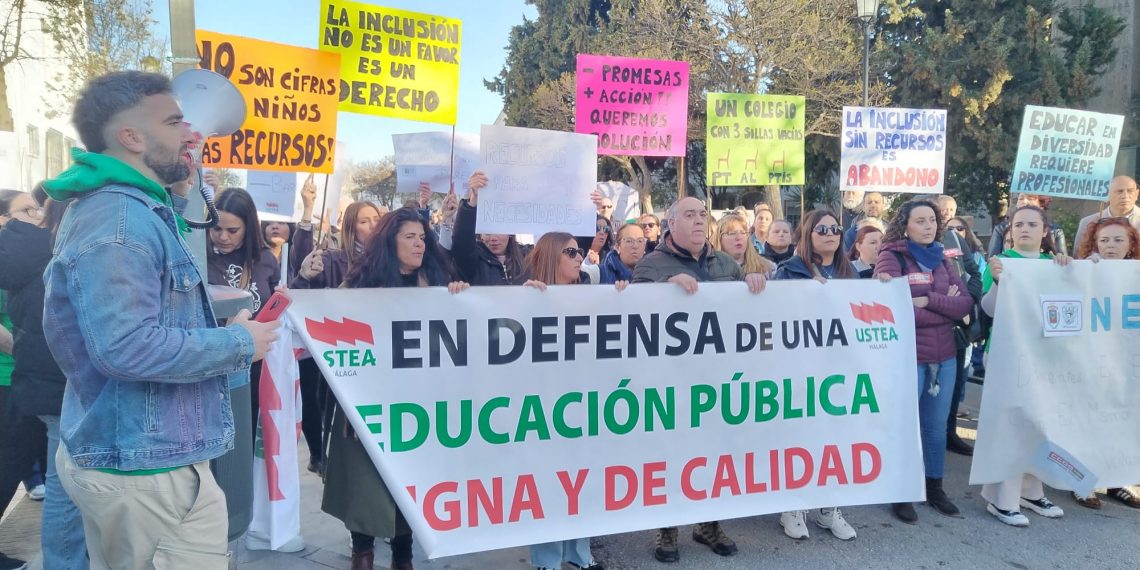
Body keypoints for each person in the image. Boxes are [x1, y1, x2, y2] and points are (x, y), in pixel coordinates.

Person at [41, 70, 279, 567]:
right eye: (174, 122)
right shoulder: (120, 222)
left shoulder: (128, 211)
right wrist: (238, 345)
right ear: (131, 137)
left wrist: (177, 191)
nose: (190, 133)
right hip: (147, 469)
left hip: (152, 458)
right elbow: (125, 346)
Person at [328, 207, 468, 570]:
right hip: (367, 400)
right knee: (365, 481)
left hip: (416, 404)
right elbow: (331, 324)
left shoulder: (437, 281)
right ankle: (363, 552)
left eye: (422, 237)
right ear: (390, 242)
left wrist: (459, 298)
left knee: (409, 480)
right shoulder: (360, 284)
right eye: (410, 237)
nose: (419, 244)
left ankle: (402, 555)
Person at [632, 197, 766, 563]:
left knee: (715, 450)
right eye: (688, 215)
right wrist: (664, 287)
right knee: (670, 452)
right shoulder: (651, 265)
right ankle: (668, 527)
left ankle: (708, 523)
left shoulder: (725, 264)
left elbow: (748, 310)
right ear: (669, 224)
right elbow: (633, 312)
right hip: (670, 380)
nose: (697, 220)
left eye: (701, 214)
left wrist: (752, 282)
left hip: (717, 379)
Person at [521, 232, 625, 570]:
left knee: (583, 482)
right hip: (543, 407)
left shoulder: (592, 295)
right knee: (549, 484)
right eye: (569, 251)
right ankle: (547, 560)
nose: (578, 256)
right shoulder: (525, 296)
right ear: (551, 256)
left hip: (586, 405)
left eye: (579, 251)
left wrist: (622, 298)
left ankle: (580, 555)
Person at [0, 193, 88, 569]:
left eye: (35, 208)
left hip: (42, 382)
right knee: (66, 491)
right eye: (25, 210)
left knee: (61, 486)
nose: (32, 215)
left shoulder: (35, 254)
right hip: (56, 383)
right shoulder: (50, 252)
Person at [875, 199, 973, 523]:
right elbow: (894, 307)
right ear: (905, 225)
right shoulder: (891, 257)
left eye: (932, 220)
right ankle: (900, 491)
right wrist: (944, 308)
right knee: (905, 428)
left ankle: (934, 488)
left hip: (944, 358)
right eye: (920, 221)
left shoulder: (943, 259)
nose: (928, 226)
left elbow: (965, 304)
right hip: (909, 359)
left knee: (934, 429)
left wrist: (928, 299)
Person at [977, 205, 1071, 526]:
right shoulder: (1001, 264)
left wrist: (1074, 269)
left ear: (1045, 231)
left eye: (1032, 224)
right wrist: (998, 281)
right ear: (1010, 231)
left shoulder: (1054, 264)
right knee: (1012, 424)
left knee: (1041, 424)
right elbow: (988, 310)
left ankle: (1030, 489)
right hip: (1006, 354)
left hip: (1045, 356)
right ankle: (1002, 497)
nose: (1025, 229)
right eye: (1018, 224)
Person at [772, 209, 859, 541]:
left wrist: (881, 289)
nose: (829, 233)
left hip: (839, 370)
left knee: (834, 440)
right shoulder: (789, 272)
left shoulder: (849, 274)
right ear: (807, 235)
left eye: (835, 228)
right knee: (799, 439)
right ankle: (792, 506)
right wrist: (807, 293)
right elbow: (775, 317)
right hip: (800, 369)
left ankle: (827, 507)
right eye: (821, 229)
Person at [935, 196, 983, 457]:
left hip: (961, 328)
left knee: (954, 388)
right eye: (938, 211)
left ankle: (950, 433)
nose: (942, 216)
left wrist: (965, 302)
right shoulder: (911, 244)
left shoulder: (955, 239)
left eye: (947, 211)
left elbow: (975, 274)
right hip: (934, 326)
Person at [451, 171, 528, 285]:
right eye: (487, 233)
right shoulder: (474, 261)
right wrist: (473, 201)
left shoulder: (527, 259)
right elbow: (461, 241)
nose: (493, 238)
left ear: (510, 232)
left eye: (498, 231)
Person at [988, 194, 1068, 257]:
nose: (1025, 202)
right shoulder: (1001, 229)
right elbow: (992, 260)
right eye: (1021, 198)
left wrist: (1061, 260)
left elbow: (1063, 261)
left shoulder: (1056, 231)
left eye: (1030, 198)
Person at [1072, 175, 1140, 248]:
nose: (1125, 196)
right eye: (1119, 191)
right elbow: (1079, 256)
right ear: (1107, 194)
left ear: (1136, 194)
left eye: (1130, 191)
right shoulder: (1088, 222)